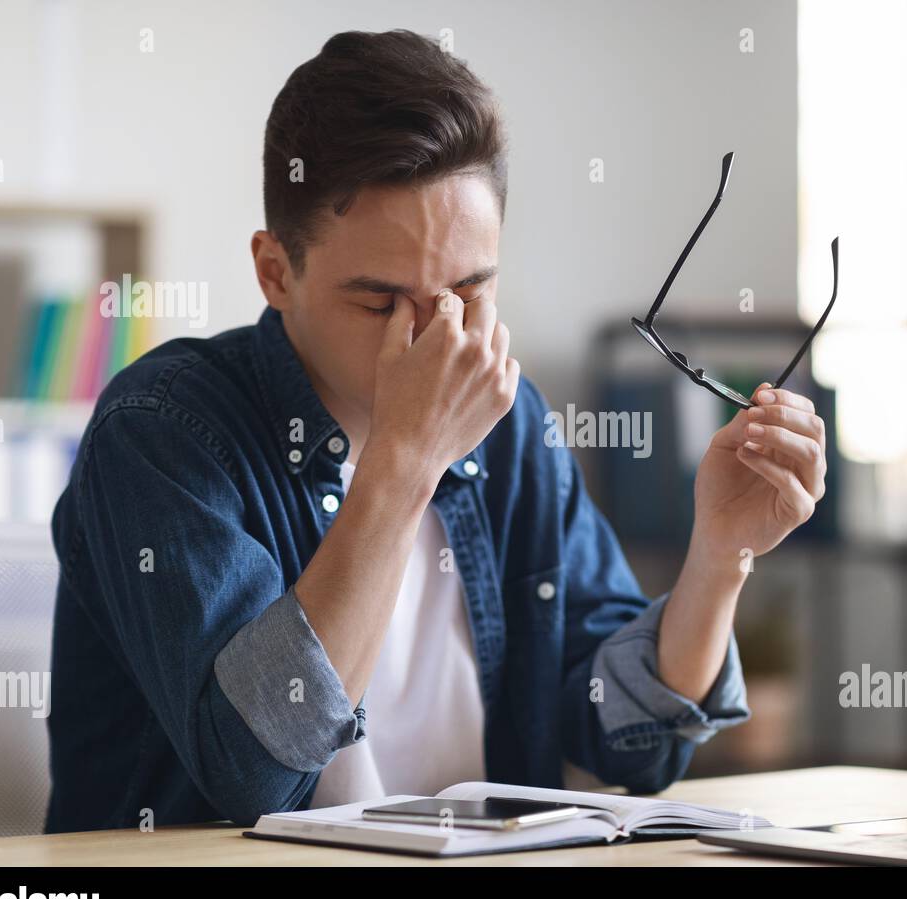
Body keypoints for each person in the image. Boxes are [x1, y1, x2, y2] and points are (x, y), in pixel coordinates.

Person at [45, 29, 828, 832]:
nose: (436, 338)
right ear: (276, 271)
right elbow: (250, 770)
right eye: (381, 303)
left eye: (471, 290)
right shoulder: (161, 433)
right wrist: (405, 461)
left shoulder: (508, 424)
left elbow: (625, 742)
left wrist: (719, 555)